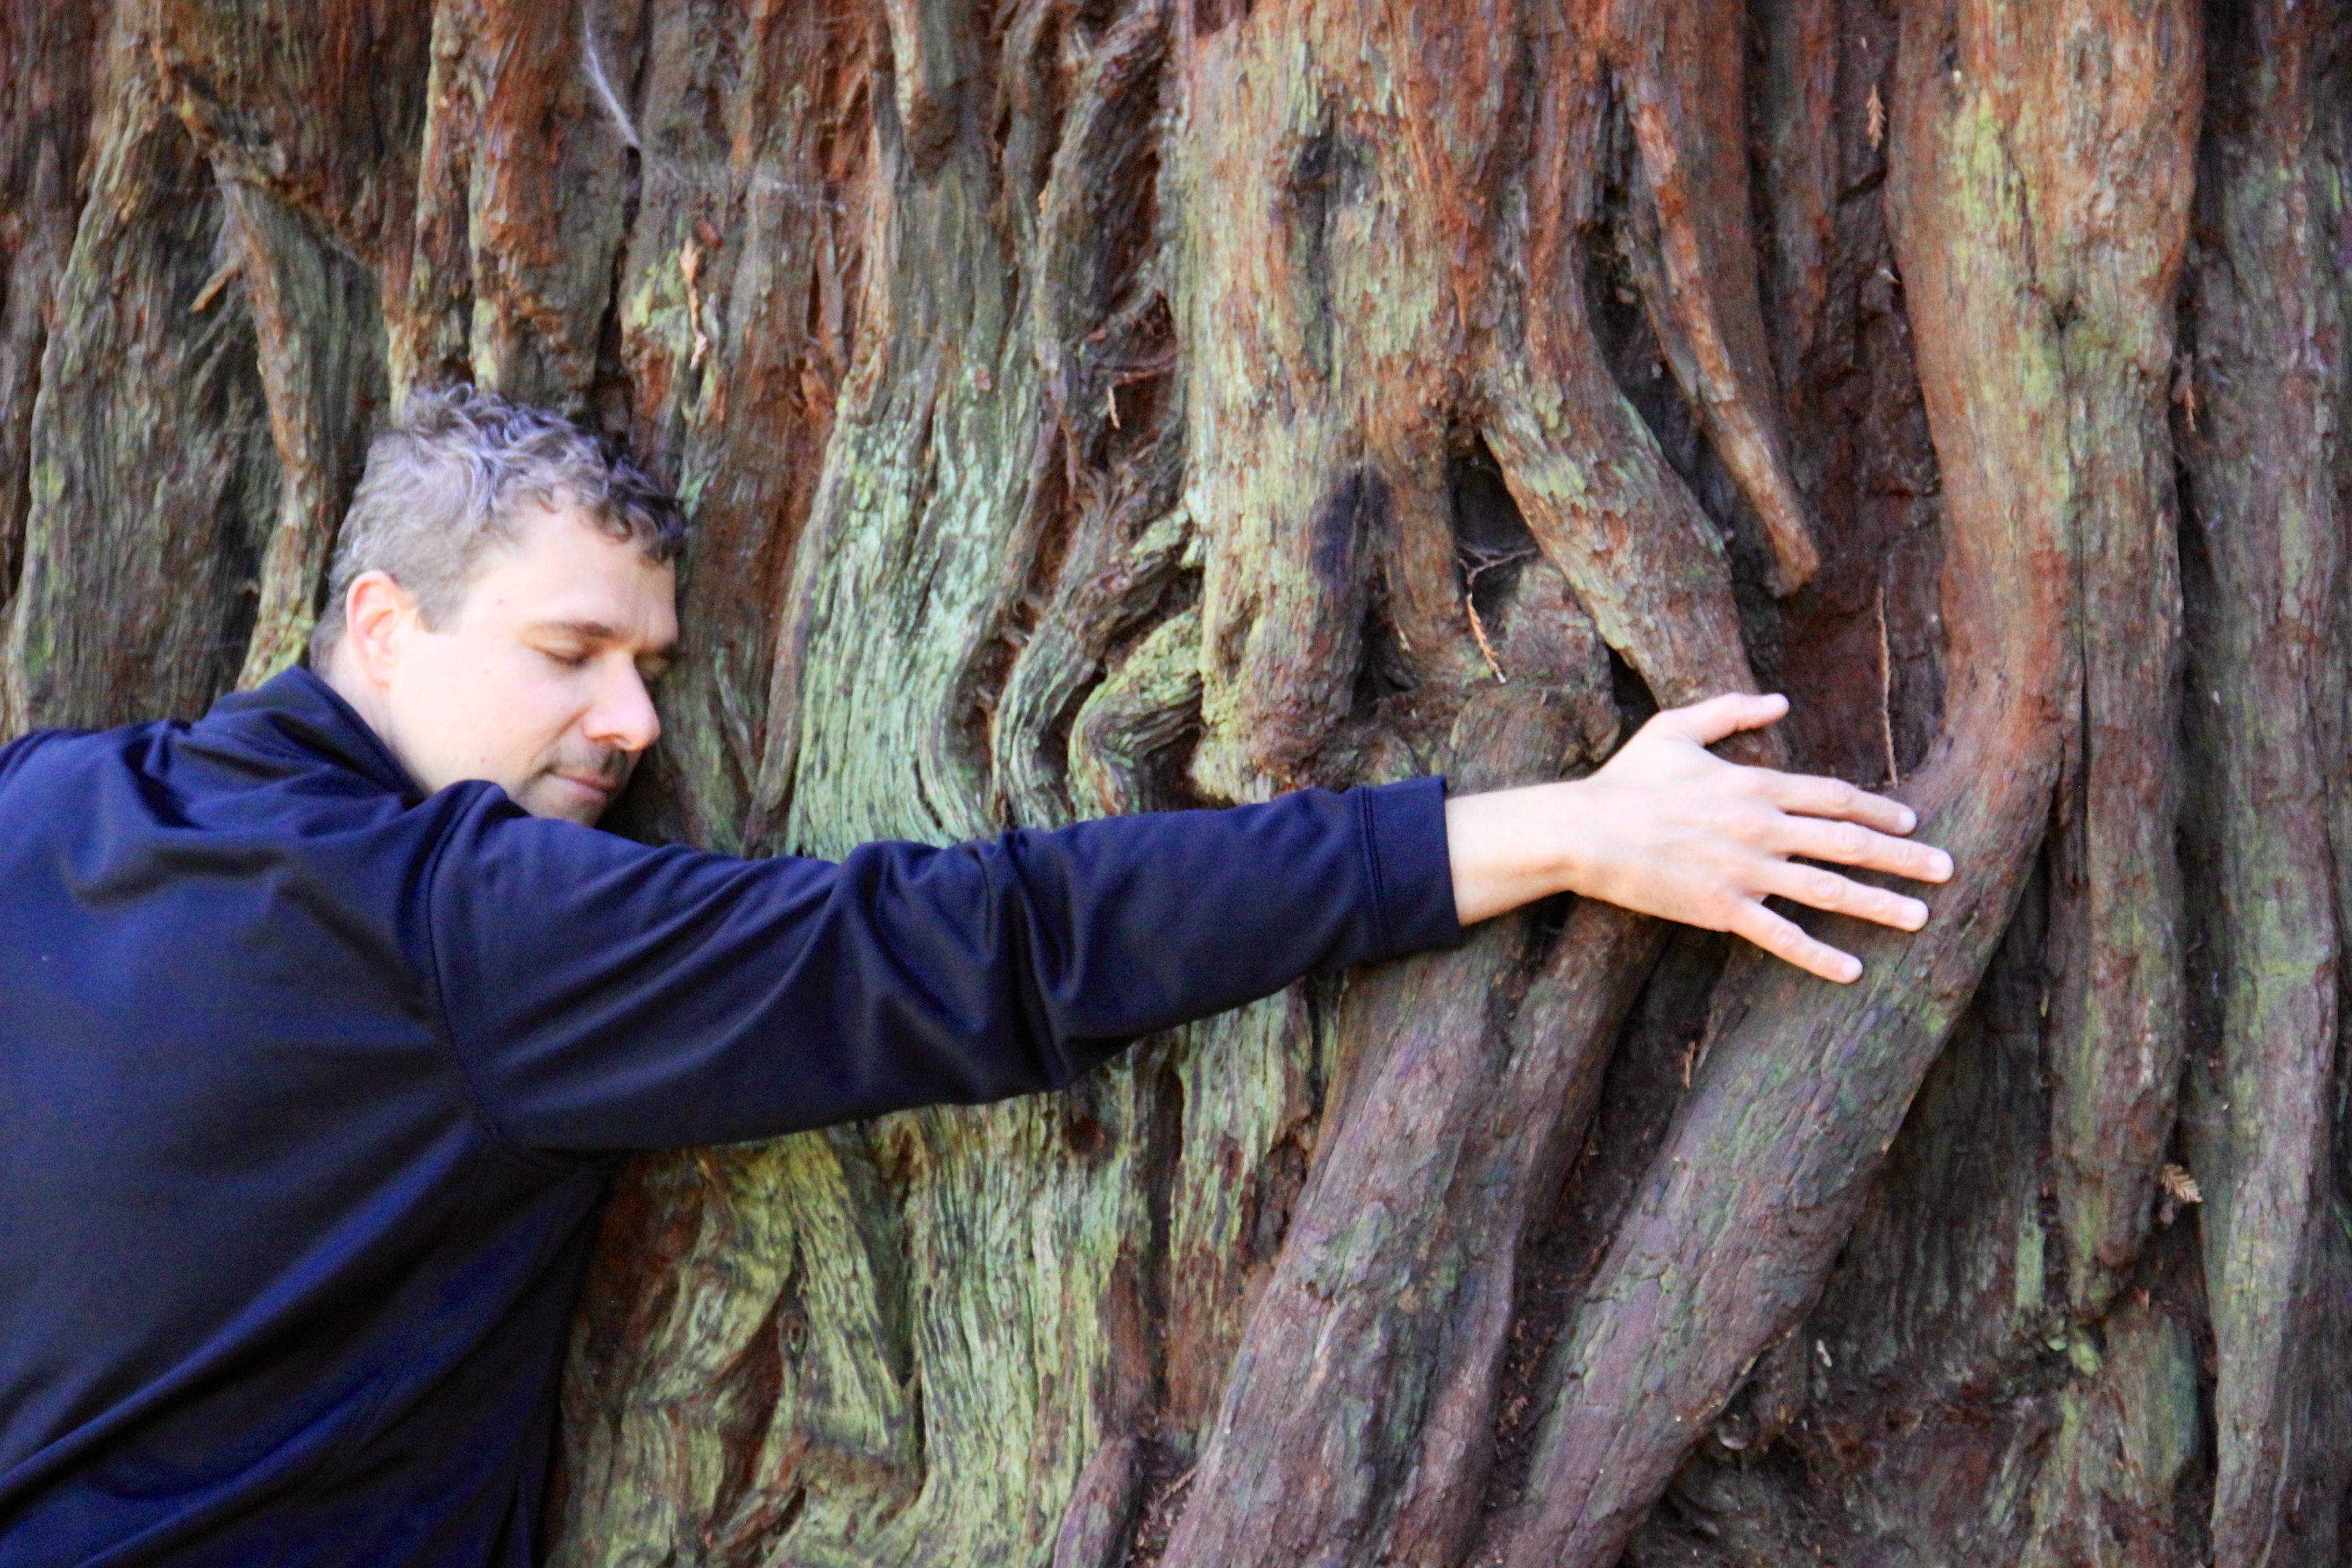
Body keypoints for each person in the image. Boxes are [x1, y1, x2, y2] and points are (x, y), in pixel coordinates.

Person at [0, 388, 1950, 1565]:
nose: (625, 722)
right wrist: (1553, 834)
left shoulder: (41, 805)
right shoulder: (458, 926)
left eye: (656, 669)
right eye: (569, 648)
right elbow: (967, 947)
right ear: (379, 620)